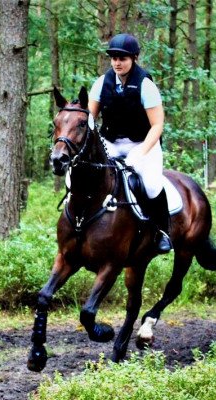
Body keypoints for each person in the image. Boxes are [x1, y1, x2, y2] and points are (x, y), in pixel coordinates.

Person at [88, 33, 172, 254]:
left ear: (134, 58)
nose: (117, 62)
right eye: (114, 57)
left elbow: (157, 125)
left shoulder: (145, 84)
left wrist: (141, 153)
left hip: (143, 143)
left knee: (152, 185)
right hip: (111, 142)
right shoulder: (101, 83)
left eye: (122, 58)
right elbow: (89, 118)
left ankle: (162, 231)